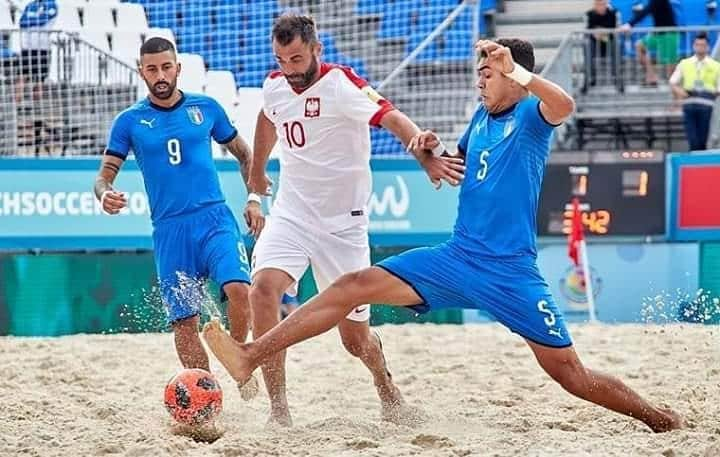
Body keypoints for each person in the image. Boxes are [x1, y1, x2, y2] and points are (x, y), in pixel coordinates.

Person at [202, 37, 684, 433]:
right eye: (479, 72)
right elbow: (455, 163)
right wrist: (431, 150)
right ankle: (248, 356)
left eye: (489, 73)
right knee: (352, 286)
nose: (480, 80)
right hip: (458, 256)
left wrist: (518, 72)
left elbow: (565, 103)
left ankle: (659, 419)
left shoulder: (532, 119)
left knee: (570, 376)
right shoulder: (480, 120)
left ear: (513, 77)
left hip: (510, 272)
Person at [239, 13, 465, 426]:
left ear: (316, 50)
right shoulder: (275, 85)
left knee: (355, 339)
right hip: (291, 214)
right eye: (282, 60)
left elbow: (394, 118)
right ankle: (279, 410)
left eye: (297, 59)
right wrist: (255, 176)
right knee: (263, 291)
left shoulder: (341, 85)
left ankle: (387, 390)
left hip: (342, 226)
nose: (290, 70)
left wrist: (425, 156)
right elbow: (267, 117)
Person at [93, 37, 264, 386]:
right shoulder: (129, 121)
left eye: (166, 67)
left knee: (239, 290)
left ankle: (239, 357)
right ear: (142, 72)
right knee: (185, 323)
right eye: (152, 68)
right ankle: (206, 391)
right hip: (170, 230)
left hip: (214, 219)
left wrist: (254, 198)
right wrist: (105, 194)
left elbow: (246, 154)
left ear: (178, 69)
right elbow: (103, 177)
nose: (160, 74)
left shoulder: (207, 107)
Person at [669, 32, 720, 151]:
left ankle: (700, 163)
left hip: (706, 104)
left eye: (703, 45)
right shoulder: (685, 63)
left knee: (702, 139)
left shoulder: (716, 66)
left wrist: (711, 93)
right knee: (692, 139)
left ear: (708, 47)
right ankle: (694, 160)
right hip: (689, 103)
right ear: (693, 46)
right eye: (697, 45)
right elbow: (673, 82)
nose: (700, 48)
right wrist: (679, 91)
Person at [620, 0, 679, 86]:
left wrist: (629, 24)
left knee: (670, 70)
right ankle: (652, 76)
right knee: (639, 45)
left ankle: (674, 92)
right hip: (658, 34)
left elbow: (646, 11)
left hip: (669, 35)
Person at [584, 0, 618, 90]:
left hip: (609, 42)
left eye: (603, 4)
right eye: (598, 4)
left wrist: (602, 32)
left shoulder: (612, 13)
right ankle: (590, 77)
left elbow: (613, 29)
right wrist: (596, 33)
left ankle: (616, 77)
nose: (600, 7)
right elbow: (588, 30)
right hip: (594, 42)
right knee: (587, 45)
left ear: (606, 4)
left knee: (616, 44)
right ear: (594, 5)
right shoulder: (589, 14)